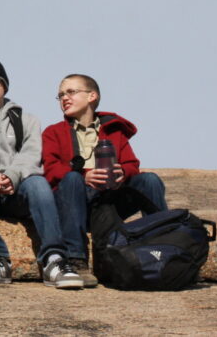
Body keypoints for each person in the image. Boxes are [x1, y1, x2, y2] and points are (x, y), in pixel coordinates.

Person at [0, 58, 83, 289]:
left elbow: (32, 154)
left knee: (37, 181)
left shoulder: (27, 119)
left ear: (4, 85)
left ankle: (54, 259)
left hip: (18, 192)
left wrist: (12, 176)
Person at [42, 74, 168, 287]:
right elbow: (50, 169)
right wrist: (85, 176)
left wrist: (122, 173)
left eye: (71, 92)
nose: (65, 98)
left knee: (149, 180)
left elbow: (132, 164)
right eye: (61, 95)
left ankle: (164, 250)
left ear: (92, 96)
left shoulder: (114, 130)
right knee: (71, 178)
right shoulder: (53, 132)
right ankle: (76, 260)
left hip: (110, 199)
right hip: (75, 201)